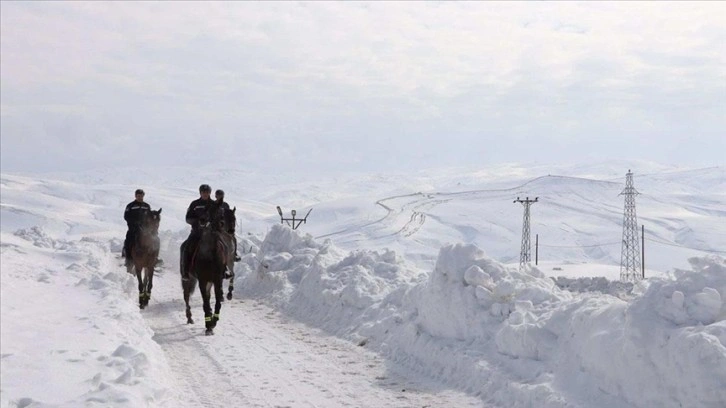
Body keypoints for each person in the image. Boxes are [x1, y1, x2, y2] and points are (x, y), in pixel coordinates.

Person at [180, 184, 217, 280]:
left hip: (211, 234)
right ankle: (186, 271)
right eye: (203, 192)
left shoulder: (214, 204)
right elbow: (188, 218)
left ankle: (224, 270)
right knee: (185, 247)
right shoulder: (194, 204)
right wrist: (197, 222)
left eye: (207, 192)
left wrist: (211, 223)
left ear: (210, 193)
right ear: (200, 193)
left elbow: (218, 218)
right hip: (197, 233)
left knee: (222, 246)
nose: (205, 194)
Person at [123, 189, 151, 265]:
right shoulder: (130, 206)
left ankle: (154, 259)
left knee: (154, 240)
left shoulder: (147, 206)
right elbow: (126, 216)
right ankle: (128, 258)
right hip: (133, 228)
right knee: (129, 240)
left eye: (141, 196)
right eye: (138, 196)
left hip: (144, 229)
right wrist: (133, 222)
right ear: (135, 196)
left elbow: (150, 217)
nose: (140, 197)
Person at [214, 189, 241, 262]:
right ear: (216, 196)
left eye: (221, 196)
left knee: (233, 238)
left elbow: (228, 216)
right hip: (215, 225)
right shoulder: (213, 204)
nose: (220, 197)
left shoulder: (226, 205)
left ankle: (234, 254)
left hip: (224, 225)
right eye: (218, 195)